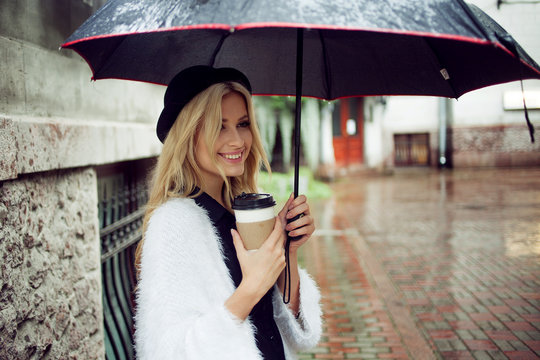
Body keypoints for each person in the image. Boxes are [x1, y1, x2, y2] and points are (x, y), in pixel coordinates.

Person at [134, 65, 322, 359]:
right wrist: (250, 289)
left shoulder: (244, 210)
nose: (237, 141)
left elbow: (290, 330)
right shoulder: (172, 224)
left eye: (243, 123)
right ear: (187, 135)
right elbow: (167, 351)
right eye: (219, 126)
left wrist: (288, 251)